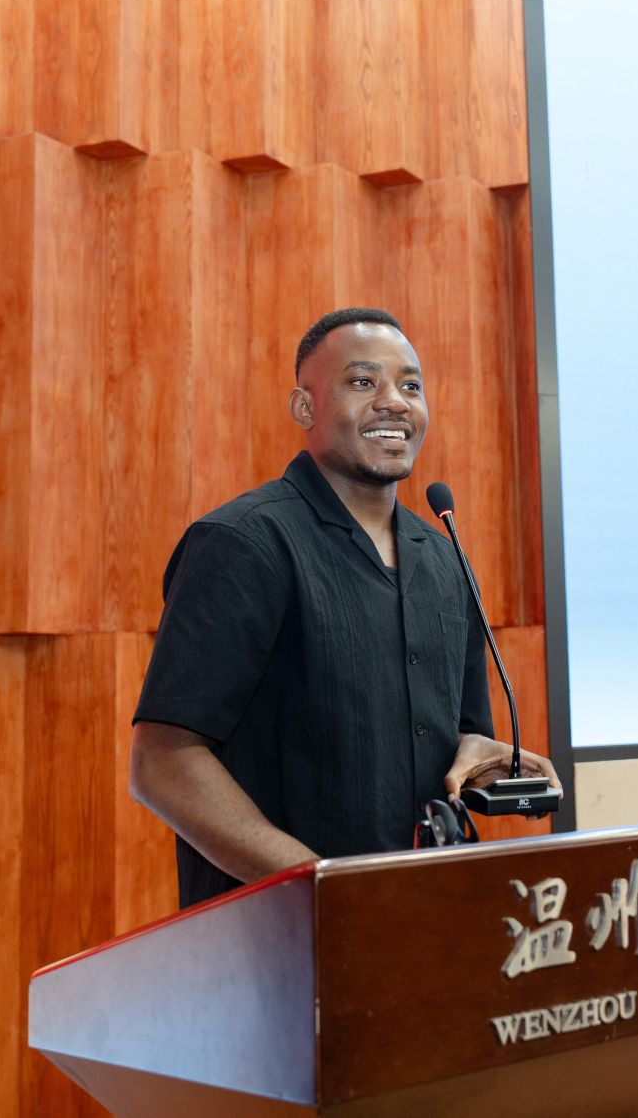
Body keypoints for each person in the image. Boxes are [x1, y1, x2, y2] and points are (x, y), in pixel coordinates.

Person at [129, 307, 561, 907]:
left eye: (411, 386)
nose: (394, 402)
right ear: (304, 408)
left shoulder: (445, 558)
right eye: (363, 382)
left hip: (424, 911)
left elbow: (459, 735)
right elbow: (162, 763)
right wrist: (327, 891)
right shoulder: (243, 544)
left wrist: (483, 761)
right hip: (279, 929)